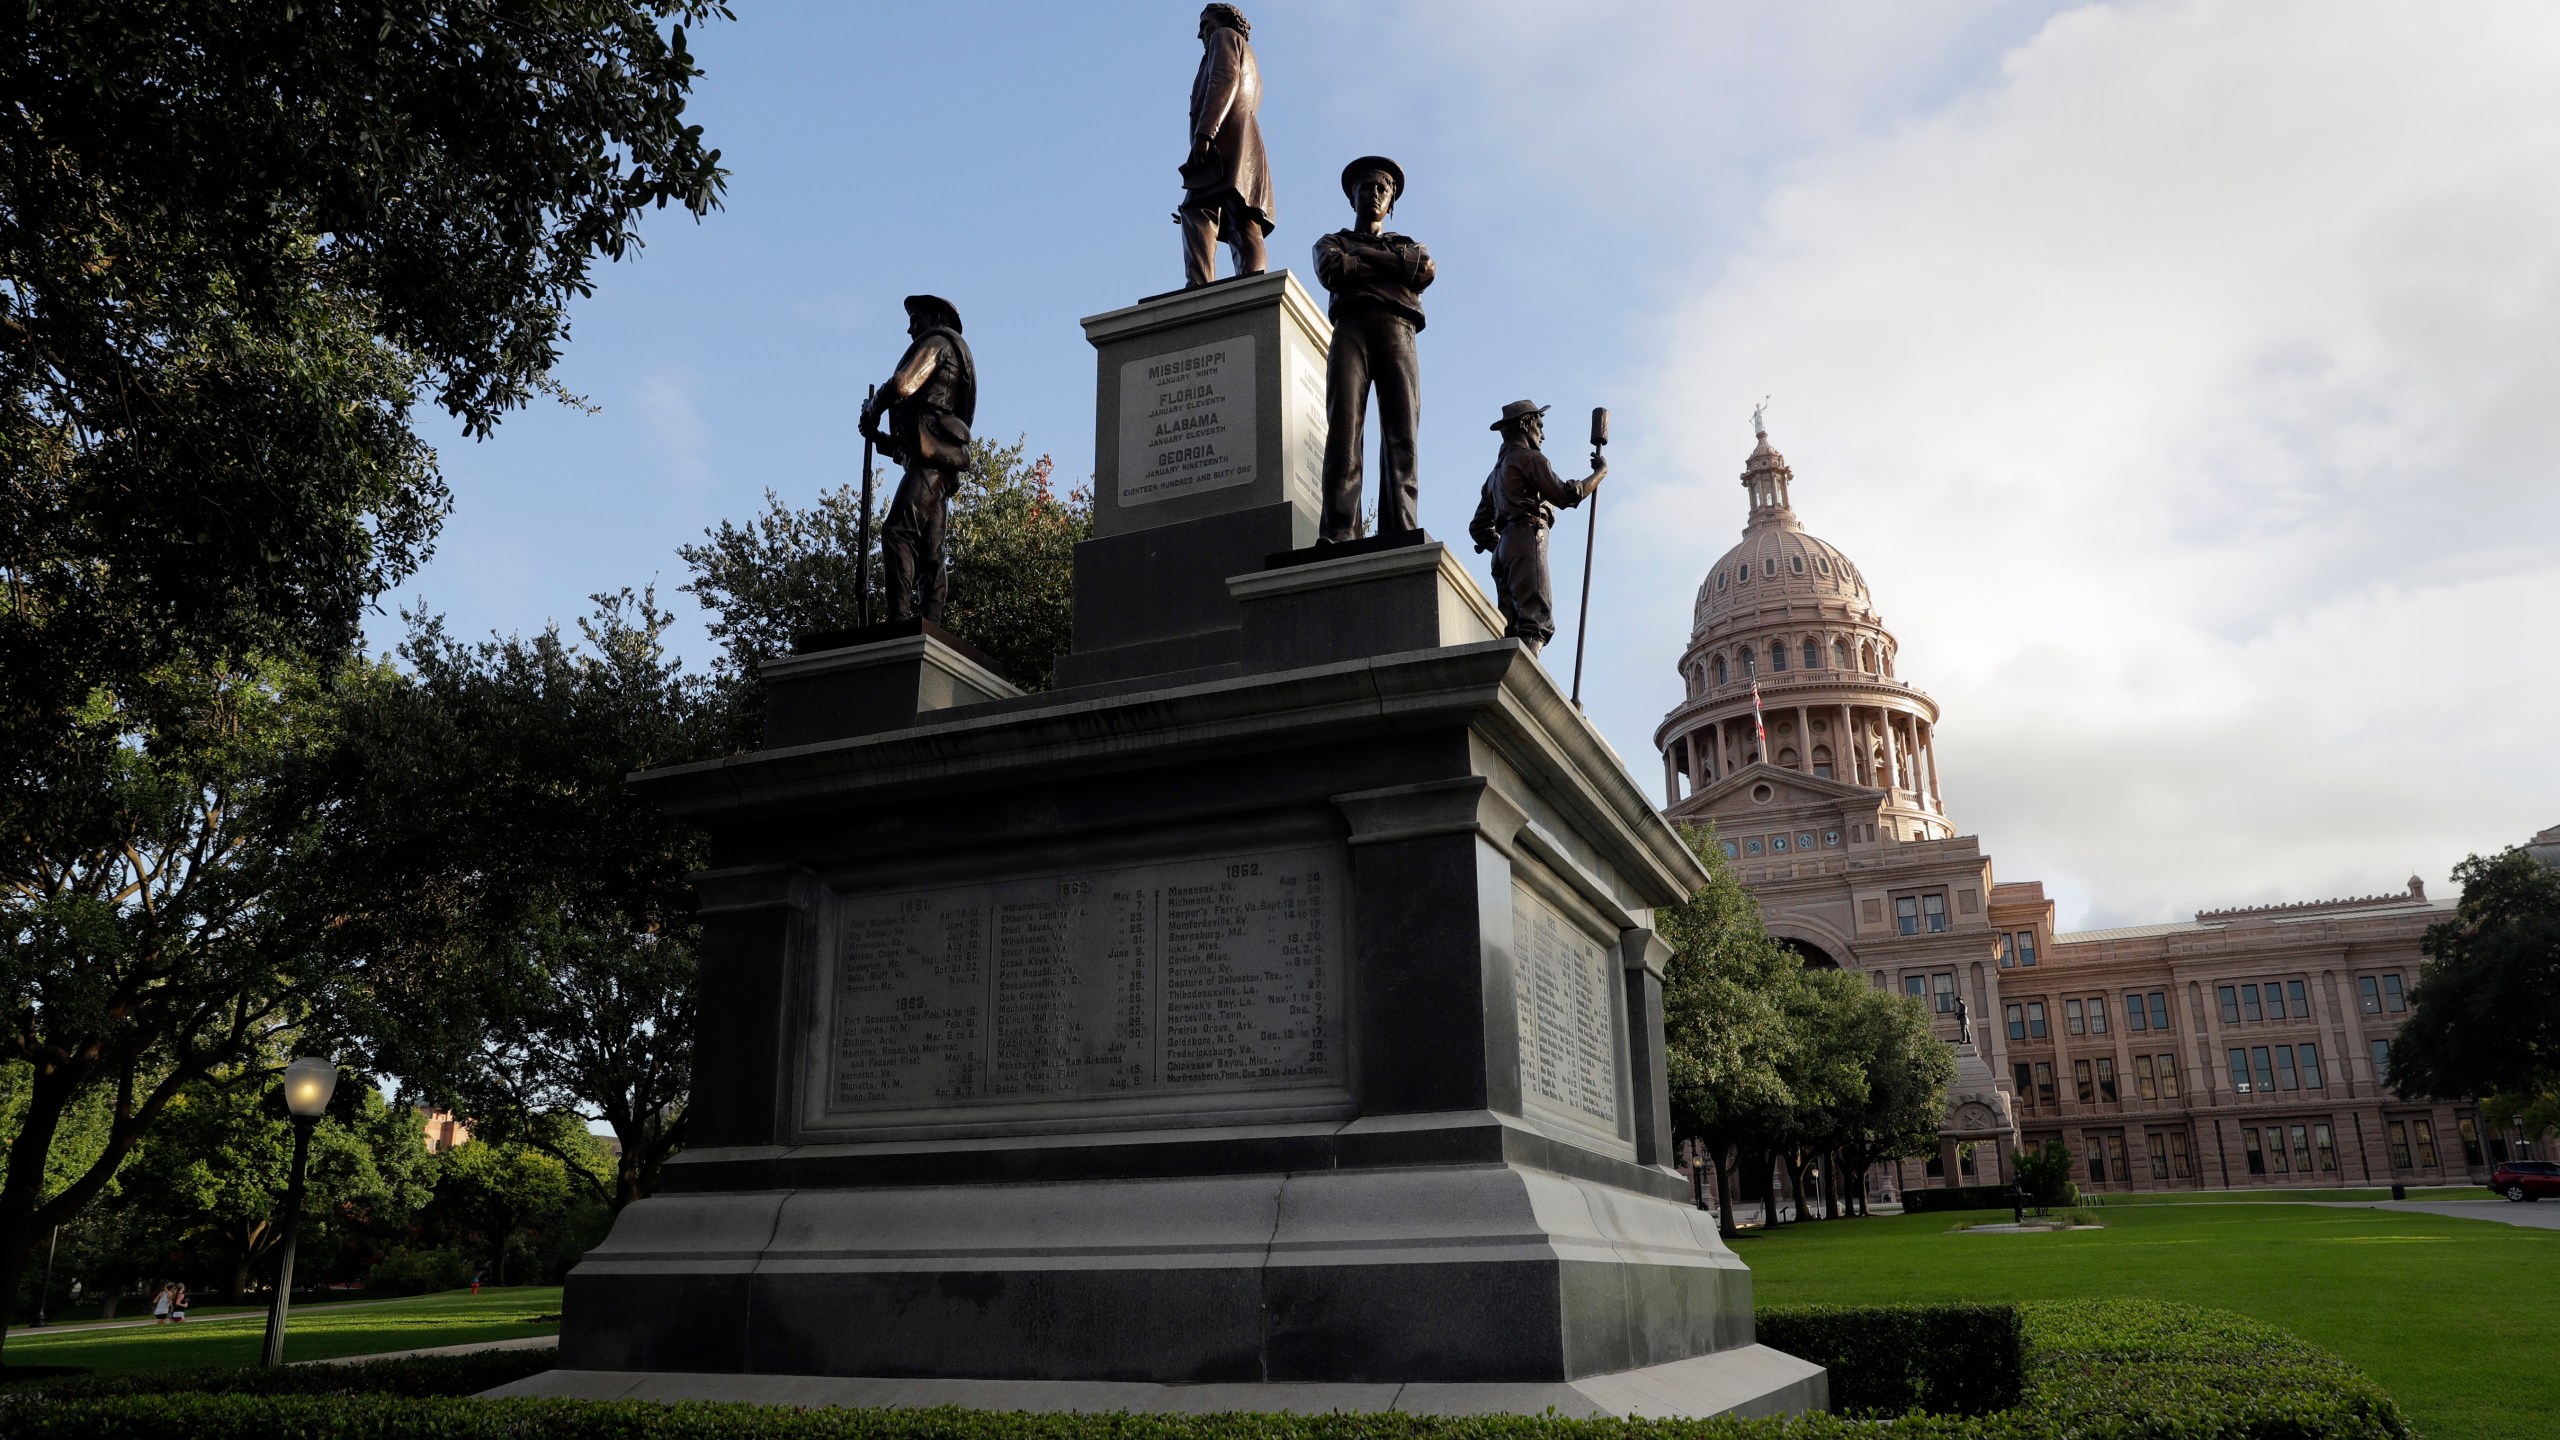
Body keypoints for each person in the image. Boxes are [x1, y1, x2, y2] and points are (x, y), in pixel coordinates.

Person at [1313, 156, 1435, 543]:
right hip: (1351, 332)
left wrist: (1364, 259)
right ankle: (1339, 530)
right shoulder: (1333, 242)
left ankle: (1400, 526)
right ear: (1352, 197)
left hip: (1399, 332)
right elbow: (1333, 270)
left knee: (1403, 434)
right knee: (1344, 430)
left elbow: (1424, 270)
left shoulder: (1409, 245)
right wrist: (1393, 268)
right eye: (1365, 187)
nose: (1373, 193)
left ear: (1392, 201)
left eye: (1382, 188)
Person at [857, 295, 977, 623]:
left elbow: (902, 384)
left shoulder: (938, 343)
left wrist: (873, 408)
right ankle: (932, 625)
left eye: (916, 320)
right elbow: (910, 444)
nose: (910, 329)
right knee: (931, 554)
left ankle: (898, 620)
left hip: (932, 465)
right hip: (938, 463)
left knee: (896, 531)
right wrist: (877, 437)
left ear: (936, 318)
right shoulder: (950, 356)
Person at [1477, 399, 1605, 656]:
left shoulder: (1494, 477)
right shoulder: (1530, 459)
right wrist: (1599, 474)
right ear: (1526, 424)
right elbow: (1566, 495)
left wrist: (1502, 546)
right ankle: (1519, 687)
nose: (1543, 434)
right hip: (1528, 537)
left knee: (1511, 627)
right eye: (1539, 425)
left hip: (1504, 550)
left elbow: (1478, 528)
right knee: (1535, 623)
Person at [1178, 5, 1271, 287]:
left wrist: (1205, 134)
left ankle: (1198, 286)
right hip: (1245, 141)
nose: (1200, 33)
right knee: (1242, 218)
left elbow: (1224, 81)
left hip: (1225, 139)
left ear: (1225, 22)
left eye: (1206, 24)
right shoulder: (1247, 52)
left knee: (1196, 209)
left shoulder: (1224, 38)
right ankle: (1254, 284)